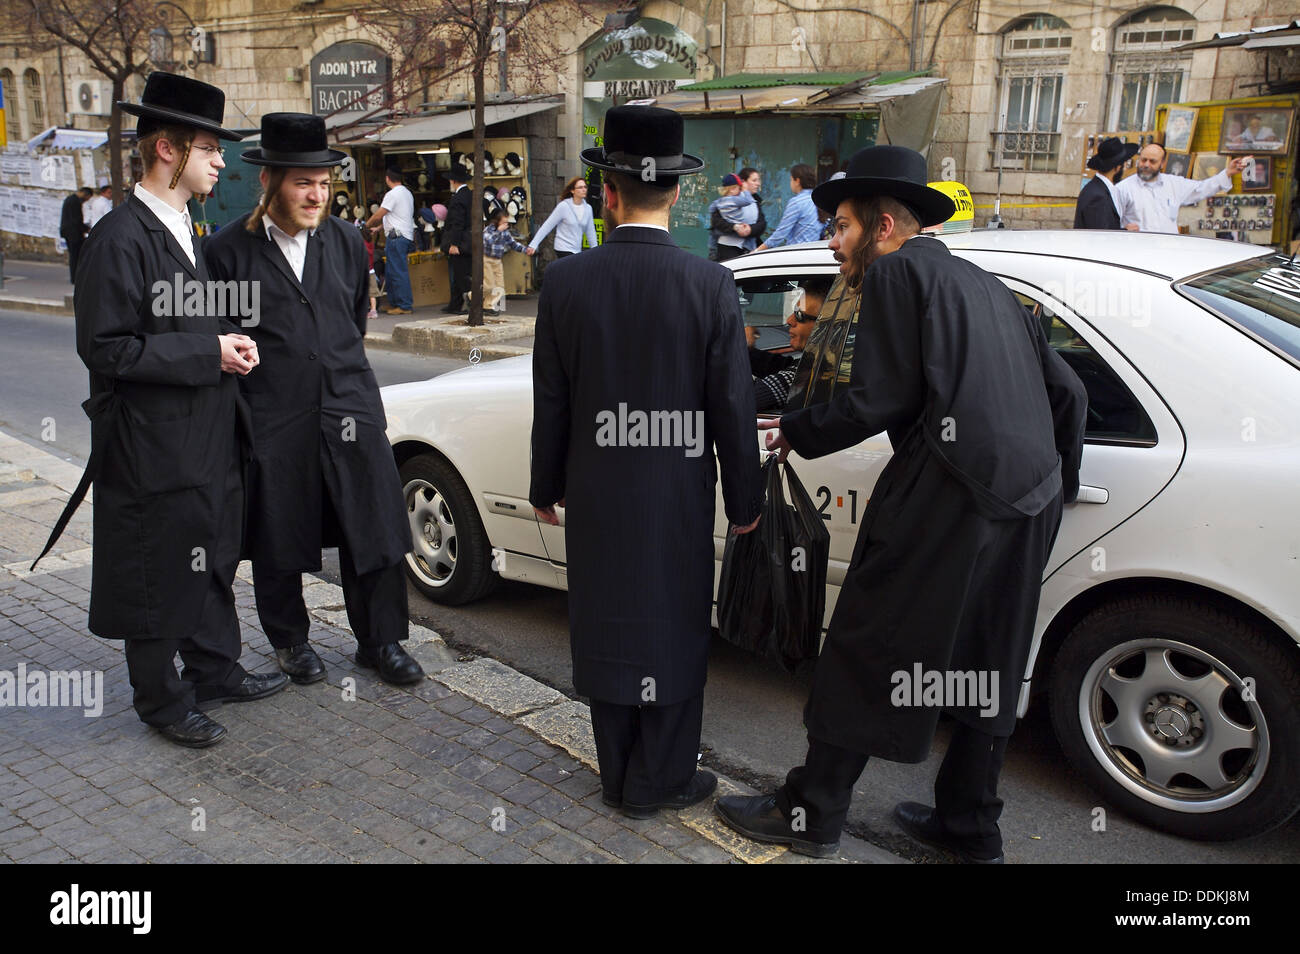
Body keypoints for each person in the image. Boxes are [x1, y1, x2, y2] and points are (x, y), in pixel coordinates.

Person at [714, 145, 1087, 861]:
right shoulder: (985, 281)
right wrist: (1054, 484)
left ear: (884, 226)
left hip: (948, 493)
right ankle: (970, 826)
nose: (832, 242)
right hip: (1027, 498)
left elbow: (879, 398)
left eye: (841, 227)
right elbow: (1066, 394)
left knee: (865, 644)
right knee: (992, 661)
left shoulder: (895, 274)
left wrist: (792, 427)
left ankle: (810, 813)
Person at [33, 71, 288, 748]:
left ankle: (213, 668)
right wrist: (208, 356)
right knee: (159, 565)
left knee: (208, 556)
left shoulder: (183, 226)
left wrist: (227, 341)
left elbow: (178, 325)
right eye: (209, 149)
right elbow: (107, 347)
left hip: (205, 434)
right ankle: (162, 702)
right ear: (168, 150)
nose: (221, 162)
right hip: (151, 444)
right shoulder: (120, 237)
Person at [530, 105, 763, 819]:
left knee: (606, 618)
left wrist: (546, 487)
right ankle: (660, 778)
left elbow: (553, 400)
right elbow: (732, 408)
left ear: (608, 191)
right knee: (672, 620)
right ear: (680, 193)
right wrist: (746, 501)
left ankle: (618, 770)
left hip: (597, 493)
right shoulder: (710, 285)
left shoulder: (566, 285)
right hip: (675, 495)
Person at [205, 112, 425, 689]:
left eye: (325, 182)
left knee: (373, 530)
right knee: (280, 537)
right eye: (304, 182)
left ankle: (382, 642)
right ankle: (290, 642)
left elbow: (351, 321)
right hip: (275, 417)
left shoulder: (348, 241)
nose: (316, 194)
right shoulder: (229, 252)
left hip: (349, 407)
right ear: (269, 181)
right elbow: (227, 338)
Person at [1116, 143, 1252, 234]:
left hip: (1166, 252)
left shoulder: (1173, 184)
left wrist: (1228, 172)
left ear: (1162, 163)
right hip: (1138, 253)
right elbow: (1110, 222)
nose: (1146, 165)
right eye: (1143, 160)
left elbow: (1202, 188)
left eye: (1152, 161)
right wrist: (1123, 230)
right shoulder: (1124, 188)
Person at [750, 278, 830, 411]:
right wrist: (742, 348)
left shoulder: (809, 373)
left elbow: (738, 402)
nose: (789, 320)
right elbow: (777, 365)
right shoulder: (815, 363)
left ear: (824, 326)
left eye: (799, 315)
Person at [365, 166, 414, 314]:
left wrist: (366, 226)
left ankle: (404, 305)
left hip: (396, 237)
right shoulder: (407, 193)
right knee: (391, 271)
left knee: (398, 271)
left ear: (387, 179)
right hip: (401, 235)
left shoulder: (392, 195)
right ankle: (394, 303)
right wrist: (379, 228)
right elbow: (395, 216)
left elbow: (379, 214)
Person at [526, 176, 599, 259]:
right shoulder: (564, 206)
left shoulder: (588, 209)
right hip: (563, 247)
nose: (584, 189)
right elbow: (547, 225)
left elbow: (591, 232)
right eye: (580, 187)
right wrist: (533, 245)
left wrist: (596, 252)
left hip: (577, 250)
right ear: (572, 190)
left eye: (585, 187)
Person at [1073, 137, 1137, 230]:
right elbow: (1099, 235)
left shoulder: (1100, 189)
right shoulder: (1097, 196)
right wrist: (1126, 231)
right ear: (1118, 167)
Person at [756, 164, 822, 250]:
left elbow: (780, 234)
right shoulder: (818, 200)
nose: (790, 183)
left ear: (797, 181)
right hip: (815, 253)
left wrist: (757, 250)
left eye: (791, 180)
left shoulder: (797, 202)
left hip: (797, 254)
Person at [440, 167, 473, 314]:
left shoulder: (458, 198)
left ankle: (469, 303)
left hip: (461, 241)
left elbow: (457, 223)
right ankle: (455, 304)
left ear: (453, 181)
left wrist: (454, 243)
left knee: (461, 275)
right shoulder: (471, 195)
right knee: (460, 273)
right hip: (469, 239)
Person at [711, 167, 766, 253]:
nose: (758, 184)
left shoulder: (756, 201)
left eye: (758, 180)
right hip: (729, 248)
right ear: (743, 182)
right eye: (754, 180)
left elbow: (762, 224)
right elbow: (716, 222)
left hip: (749, 247)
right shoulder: (730, 199)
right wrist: (735, 227)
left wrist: (750, 229)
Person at [482, 208, 527, 315]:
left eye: (507, 222)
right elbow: (488, 241)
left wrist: (525, 249)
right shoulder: (488, 230)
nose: (506, 225)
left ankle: (488, 306)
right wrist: (498, 231)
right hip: (487, 259)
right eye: (504, 222)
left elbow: (513, 243)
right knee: (489, 286)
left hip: (497, 260)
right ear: (496, 221)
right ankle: (472, 296)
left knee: (499, 287)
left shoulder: (505, 232)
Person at [708, 173, 758, 262]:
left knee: (713, 234)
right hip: (730, 243)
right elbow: (748, 201)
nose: (740, 191)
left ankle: (712, 251)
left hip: (734, 241)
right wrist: (745, 191)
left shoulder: (720, 201)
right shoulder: (736, 200)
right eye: (739, 188)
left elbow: (711, 208)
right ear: (732, 189)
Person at [60, 187, 91, 281]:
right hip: (73, 233)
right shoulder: (74, 202)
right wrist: (86, 229)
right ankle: (75, 277)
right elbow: (76, 220)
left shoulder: (70, 200)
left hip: (70, 232)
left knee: (75, 255)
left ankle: (76, 276)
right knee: (75, 256)